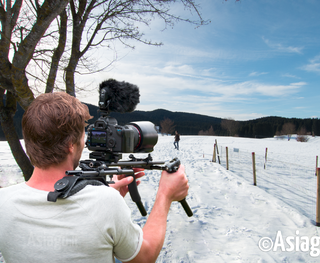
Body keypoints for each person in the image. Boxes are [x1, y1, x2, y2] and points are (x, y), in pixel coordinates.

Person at [0, 92, 189, 263]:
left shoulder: (4, 202)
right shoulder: (105, 203)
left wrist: (104, 199)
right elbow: (145, 257)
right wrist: (165, 195)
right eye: (83, 135)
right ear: (70, 145)